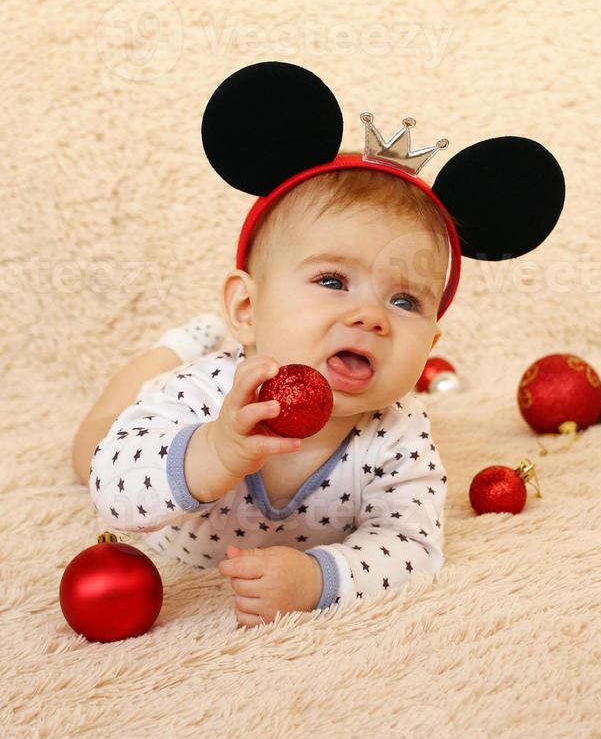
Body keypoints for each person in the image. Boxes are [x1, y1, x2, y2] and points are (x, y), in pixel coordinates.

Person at [73, 60, 566, 628]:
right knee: (86, 446)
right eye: (333, 281)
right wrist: (215, 450)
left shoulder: (399, 432)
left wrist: (318, 578)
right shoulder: (208, 391)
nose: (370, 316)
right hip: (160, 463)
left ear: (430, 344)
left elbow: (412, 547)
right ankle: (179, 342)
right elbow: (112, 487)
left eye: (404, 301)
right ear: (248, 309)